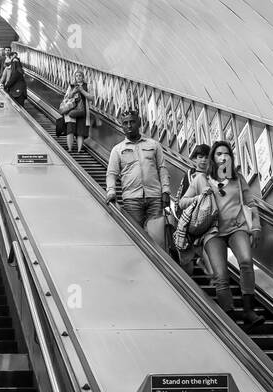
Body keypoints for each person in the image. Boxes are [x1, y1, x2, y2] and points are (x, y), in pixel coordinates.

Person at [179, 139, 264, 326]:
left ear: (231, 157)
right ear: (213, 158)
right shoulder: (201, 179)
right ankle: (230, 316)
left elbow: (250, 203)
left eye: (226, 153)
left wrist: (256, 227)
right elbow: (182, 202)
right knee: (221, 275)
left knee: (246, 261)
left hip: (237, 227)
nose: (223, 156)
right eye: (219, 154)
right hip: (212, 232)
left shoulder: (237, 178)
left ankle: (249, 311)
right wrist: (200, 197)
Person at [105, 109, 170, 246]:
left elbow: (162, 169)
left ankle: (160, 265)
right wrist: (111, 191)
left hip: (155, 198)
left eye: (132, 122)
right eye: (125, 123)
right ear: (122, 125)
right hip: (131, 199)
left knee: (157, 237)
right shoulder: (118, 149)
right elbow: (112, 173)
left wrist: (166, 191)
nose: (129, 126)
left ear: (139, 123)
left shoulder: (153, 145)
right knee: (136, 238)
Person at [171, 143, 212, 275]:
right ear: (194, 159)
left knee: (205, 252)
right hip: (188, 221)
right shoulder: (189, 176)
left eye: (207, 157)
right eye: (200, 156)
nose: (203, 160)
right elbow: (180, 199)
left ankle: (205, 267)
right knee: (186, 259)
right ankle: (187, 284)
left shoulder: (213, 177)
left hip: (206, 222)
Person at [61, 70, 92, 153]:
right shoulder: (71, 86)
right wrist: (73, 91)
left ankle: (79, 150)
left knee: (80, 131)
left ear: (83, 77)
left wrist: (82, 91)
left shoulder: (87, 86)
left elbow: (91, 98)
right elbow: (67, 97)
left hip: (83, 111)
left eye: (80, 76)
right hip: (71, 110)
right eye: (77, 76)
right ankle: (70, 149)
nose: (78, 77)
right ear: (75, 77)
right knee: (70, 130)